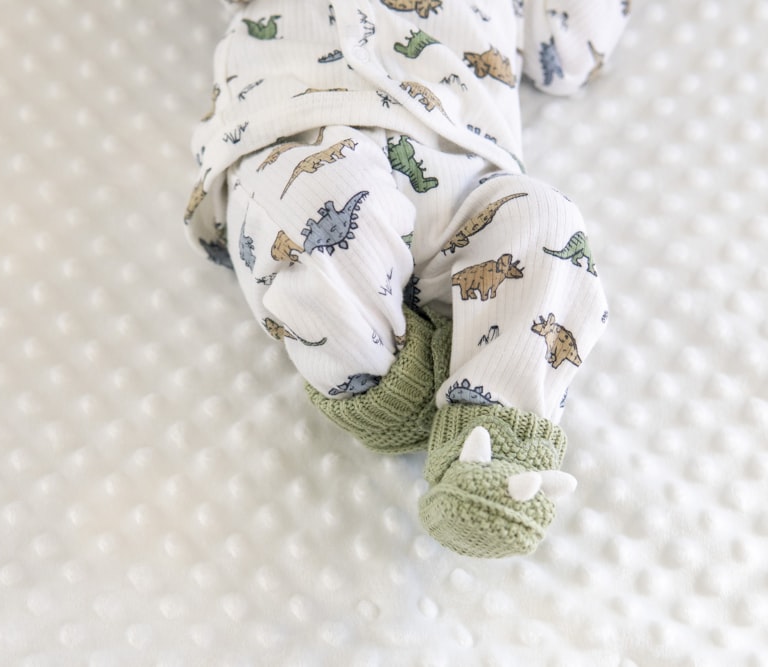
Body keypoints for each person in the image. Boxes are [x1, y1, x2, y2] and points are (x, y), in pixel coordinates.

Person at [183, 0, 630, 558]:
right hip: (303, 137)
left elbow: (569, 56)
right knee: (312, 218)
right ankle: (398, 387)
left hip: (464, 177)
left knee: (547, 223)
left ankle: (496, 439)